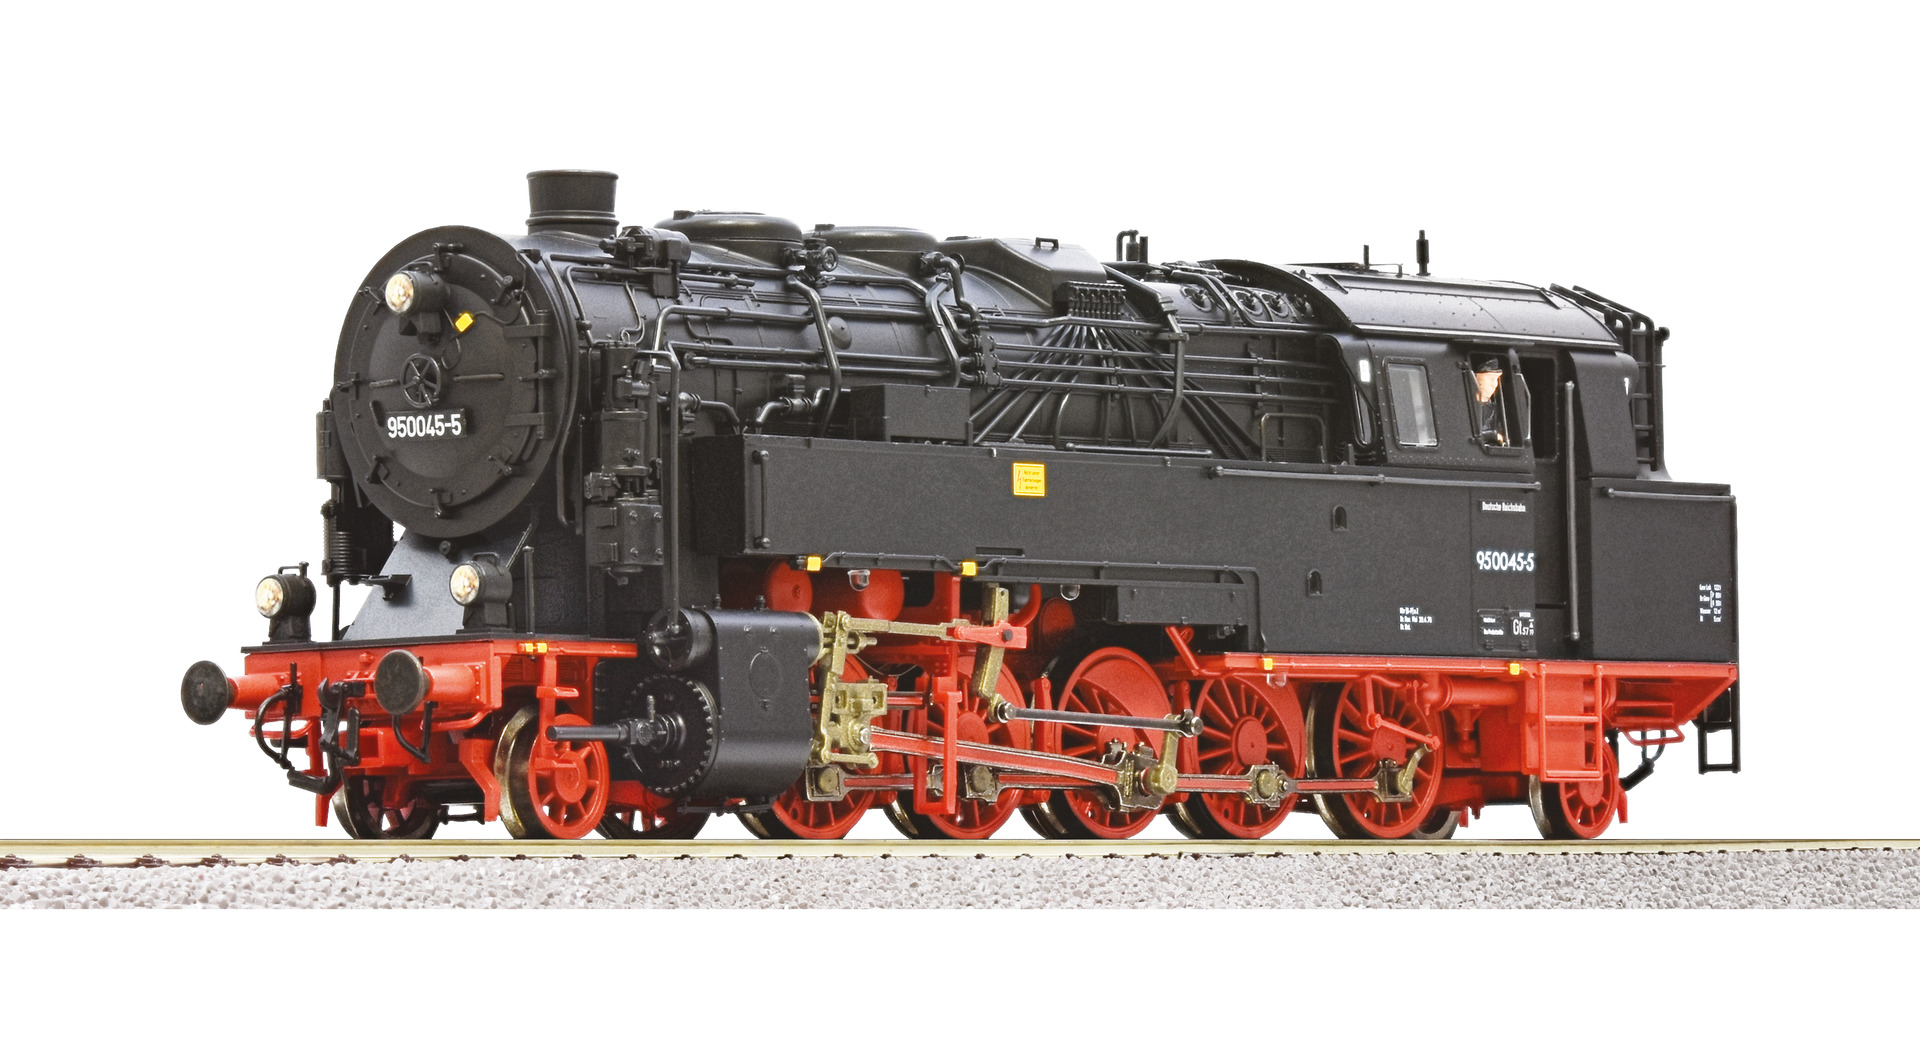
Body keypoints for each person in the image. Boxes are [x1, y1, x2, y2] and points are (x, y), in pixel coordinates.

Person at [1473, 359, 1508, 446]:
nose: (1494, 385)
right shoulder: (1462, 405)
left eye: (1496, 379)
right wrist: (1491, 435)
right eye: (1490, 379)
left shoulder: (1494, 409)